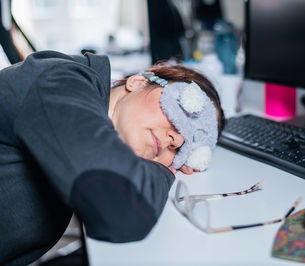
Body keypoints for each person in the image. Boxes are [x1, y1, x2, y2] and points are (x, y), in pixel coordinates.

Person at [0, 50, 225, 265]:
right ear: (138, 81)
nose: (177, 139)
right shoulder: (60, 81)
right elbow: (122, 208)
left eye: (186, 147)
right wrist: (165, 170)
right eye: (180, 110)